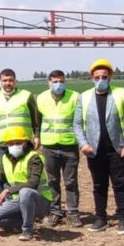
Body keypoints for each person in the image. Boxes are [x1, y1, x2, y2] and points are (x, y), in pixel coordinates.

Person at [74, 58, 124, 235]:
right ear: (92, 78)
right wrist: (83, 144)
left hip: (118, 148)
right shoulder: (83, 97)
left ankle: (122, 217)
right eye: (97, 77)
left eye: (104, 76)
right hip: (94, 150)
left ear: (110, 77)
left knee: (120, 184)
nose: (101, 80)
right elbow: (77, 123)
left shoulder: (122, 93)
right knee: (99, 185)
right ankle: (101, 218)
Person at [0, 127, 53, 241]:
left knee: (26, 192)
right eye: (11, 144)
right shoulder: (6, 158)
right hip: (17, 200)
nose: (14, 146)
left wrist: (8, 190)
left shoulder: (34, 157)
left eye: (18, 143)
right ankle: (21, 222)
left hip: (39, 201)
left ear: (25, 142)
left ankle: (27, 230)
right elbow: (2, 176)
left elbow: (33, 183)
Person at [36, 69, 82, 227]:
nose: (58, 85)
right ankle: (55, 212)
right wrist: (37, 137)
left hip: (69, 145)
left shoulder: (75, 97)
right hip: (49, 146)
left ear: (65, 82)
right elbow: (38, 121)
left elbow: (80, 121)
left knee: (71, 181)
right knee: (52, 181)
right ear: (49, 83)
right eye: (55, 82)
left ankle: (73, 213)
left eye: (61, 81)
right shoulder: (41, 98)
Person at [0, 68, 40, 160]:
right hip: (3, 144)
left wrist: (37, 136)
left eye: (11, 80)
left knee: (25, 171)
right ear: (0, 82)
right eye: (5, 80)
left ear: (15, 81)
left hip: (23, 142)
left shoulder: (26, 95)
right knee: (5, 173)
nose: (8, 83)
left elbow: (35, 119)